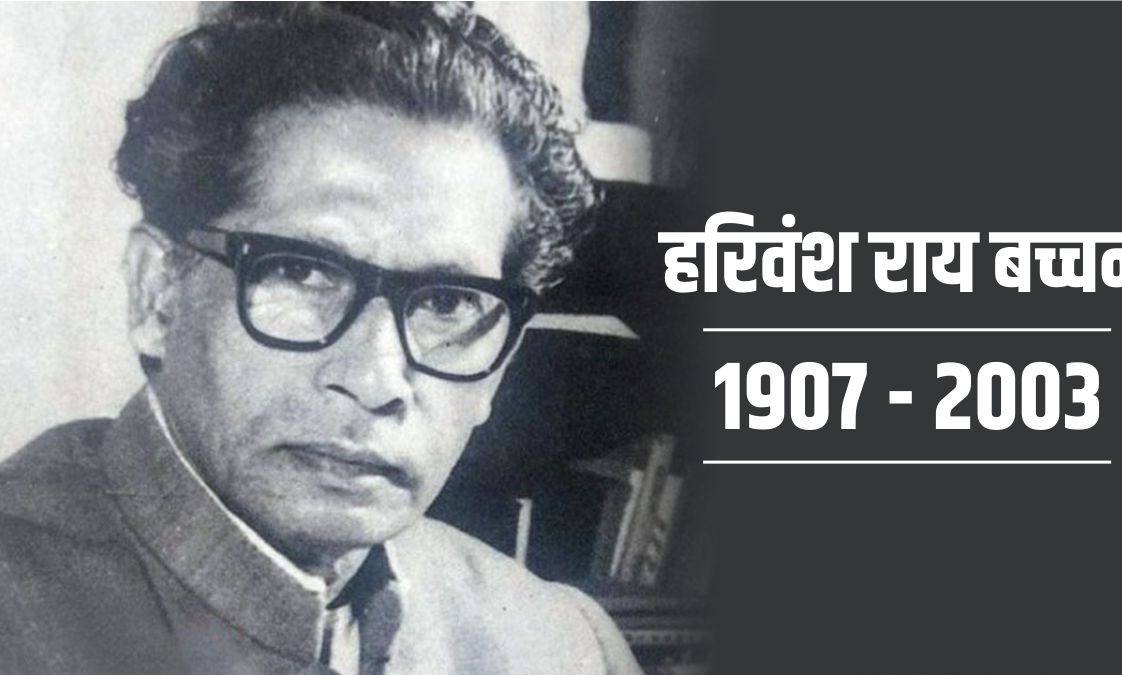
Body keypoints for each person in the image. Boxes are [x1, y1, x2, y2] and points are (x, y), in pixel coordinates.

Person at [0, 3, 642, 674]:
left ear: (498, 369)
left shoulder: (562, 649)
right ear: (157, 292)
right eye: (303, 272)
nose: (375, 379)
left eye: (447, 302)